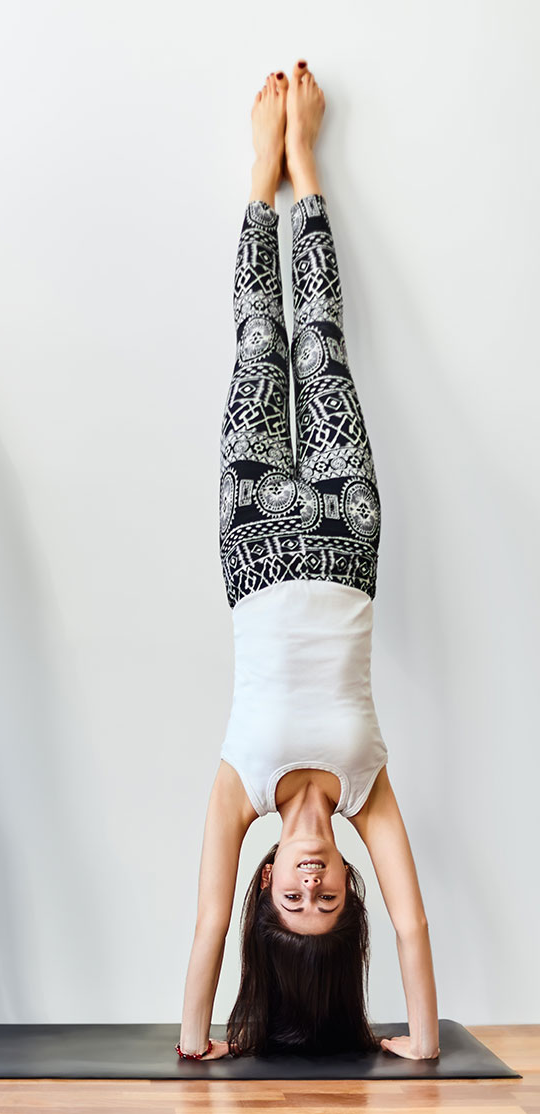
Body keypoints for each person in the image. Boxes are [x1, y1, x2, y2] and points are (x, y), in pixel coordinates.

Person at [177, 61, 439, 1061]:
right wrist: (412, 1037)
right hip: (346, 532)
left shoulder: (238, 785)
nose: (312, 878)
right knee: (320, 343)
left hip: (252, 537)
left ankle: (258, 175)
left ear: (266, 882)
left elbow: (207, 926)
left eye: (295, 894)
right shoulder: (366, 785)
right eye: (326, 895)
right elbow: (410, 925)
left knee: (257, 343)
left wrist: (198, 1038)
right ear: (346, 886)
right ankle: (306, 167)